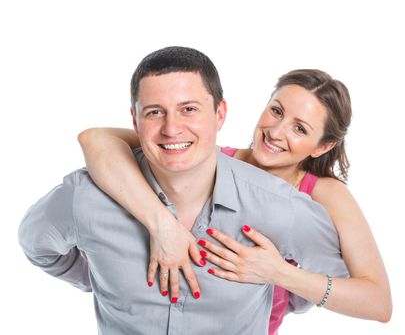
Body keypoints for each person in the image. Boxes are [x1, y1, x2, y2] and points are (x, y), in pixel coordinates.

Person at [19, 46, 348, 335]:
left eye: (189, 109)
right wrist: (101, 280)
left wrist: (282, 278)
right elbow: (38, 245)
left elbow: (346, 283)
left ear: (220, 114)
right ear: (134, 121)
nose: (171, 128)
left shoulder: (283, 205)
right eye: (154, 112)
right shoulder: (86, 198)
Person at [78, 68, 392, 333]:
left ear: (322, 147)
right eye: (277, 111)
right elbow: (96, 139)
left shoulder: (323, 194)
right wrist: (161, 229)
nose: (276, 131)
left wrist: (278, 273)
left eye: (299, 128)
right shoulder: (205, 158)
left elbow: (378, 303)